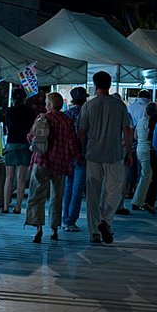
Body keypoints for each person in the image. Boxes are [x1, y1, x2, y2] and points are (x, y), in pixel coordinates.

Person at [78, 71, 133, 245]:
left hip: (93, 154)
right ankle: (106, 220)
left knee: (92, 195)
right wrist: (129, 152)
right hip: (114, 154)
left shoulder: (88, 106)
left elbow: (81, 132)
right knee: (115, 191)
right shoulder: (119, 105)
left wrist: (80, 151)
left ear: (95, 85)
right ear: (109, 85)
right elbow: (127, 130)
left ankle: (94, 232)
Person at [24, 92, 80, 243]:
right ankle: (54, 229)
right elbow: (71, 143)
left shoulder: (43, 118)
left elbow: (30, 137)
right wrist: (76, 157)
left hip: (41, 161)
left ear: (49, 104)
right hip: (60, 163)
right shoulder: (66, 121)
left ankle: (38, 229)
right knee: (57, 196)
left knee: (37, 195)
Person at [2, 87, 35, 214]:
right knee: (21, 179)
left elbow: (7, 127)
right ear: (25, 99)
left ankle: (5, 206)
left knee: (9, 177)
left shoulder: (9, 111)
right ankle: (18, 207)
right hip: (25, 145)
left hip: (11, 144)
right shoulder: (30, 112)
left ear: (12, 99)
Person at [61, 86, 88, 232]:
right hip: (82, 155)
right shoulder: (86, 114)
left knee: (68, 187)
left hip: (67, 155)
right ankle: (71, 220)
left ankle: (65, 219)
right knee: (77, 189)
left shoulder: (66, 114)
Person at [131, 102, 157, 212]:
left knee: (146, 174)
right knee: (146, 175)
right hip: (147, 150)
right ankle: (137, 201)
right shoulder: (150, 122)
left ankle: (140, 200)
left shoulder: (140, 121)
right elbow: (150, 136)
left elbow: (135, 136)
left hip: (139, 148)